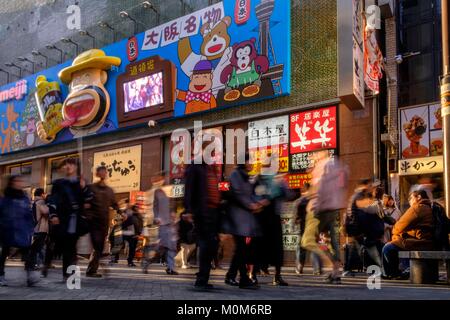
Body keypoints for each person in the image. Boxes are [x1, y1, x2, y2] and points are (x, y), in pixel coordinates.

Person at [301, 151, 348, 284]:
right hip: (333, 208)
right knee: (330, 241)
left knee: (307, 241)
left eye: (314, 154)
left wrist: (315, 204)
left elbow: (319, 187)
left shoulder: (322, 166)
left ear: (320, 154)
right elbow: (343, 184)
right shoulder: (338, 165)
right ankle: (336, 274)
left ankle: (332, 265)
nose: (312, 157)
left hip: (319, 208)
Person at [184, 136, 222, 290]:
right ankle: (201, 280)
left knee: (211, 244)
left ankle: (203, 277)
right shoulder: (195, 166)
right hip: (202, 211)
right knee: (206, 245)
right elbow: (189, 190)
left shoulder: (209, 167)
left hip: (212, 211)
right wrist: (189, 210)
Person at [47, 157, 92, 280]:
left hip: (75, 220)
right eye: (66, 164)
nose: (68, 166)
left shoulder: (81, 182)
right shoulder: (58, 183)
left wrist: (84, 188)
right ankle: (53, 265)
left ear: (76, 167)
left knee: (71, 246)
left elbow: (88, 201)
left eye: (71, 164)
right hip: (62, 219)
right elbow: (52, 200)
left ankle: (69, 274)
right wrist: (53, 214)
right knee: (63, 245)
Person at [253, 157, 296, 286]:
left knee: (276, 247)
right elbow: (255, 196)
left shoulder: (277, 179)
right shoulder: (258, 179)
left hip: (272, 216)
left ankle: (276, 276)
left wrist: (282, 186)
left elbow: (289, 196)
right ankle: (254, 274)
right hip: (261, 217)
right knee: (259, 246)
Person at [225, 154, 263, 289]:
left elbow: (250, 194)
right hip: (237, 218)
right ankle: (244, 280)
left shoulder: (246, 176)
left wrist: (257, 202)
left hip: (244, 220)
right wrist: (250, 205)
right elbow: (238, 193)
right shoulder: (236, 174)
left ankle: (231, 275)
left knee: (241, 250)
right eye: (249, 161)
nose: (251, 163)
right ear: (244, 162)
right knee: (242, 249)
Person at [382, 189, 434, 279]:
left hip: (420, 242)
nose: (409, 200)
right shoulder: (429, 207)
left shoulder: (417, 208)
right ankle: (402, 270)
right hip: (427, 241)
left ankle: (391, 273)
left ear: (418, 197)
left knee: (388, 247)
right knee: (397, 242)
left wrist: (394, 231)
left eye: (411, 198)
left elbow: (399, 226)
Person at [0, 175, 39, 287]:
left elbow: (28, 213)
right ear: (12, 183)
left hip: (22, 230)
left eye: (21, 181)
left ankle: (30, 276)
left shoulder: (24, 197)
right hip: (7, 230)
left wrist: (31, 227)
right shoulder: (5, 197)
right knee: (4, 253)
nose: (20, 183)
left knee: (27, 252)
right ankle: (1, 275)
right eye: (17, 181)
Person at [85, 166, 120, 277]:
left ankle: (93, 269)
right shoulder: (90, 188)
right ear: (96, 174)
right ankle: (93, 269)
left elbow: (114, 204)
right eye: (101, 172)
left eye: (105, 172)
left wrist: (122, 213)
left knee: (99, 247)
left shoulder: (109, 190)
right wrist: (87, 214)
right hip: (93, 222)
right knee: (97, 245)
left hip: (104, 223)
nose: (103, 174)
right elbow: (85, 201)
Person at [153, 174, 179, 275]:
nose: (164, 180)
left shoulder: (171, 190)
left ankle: (170, 268)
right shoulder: (157, 192)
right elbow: (155, 206)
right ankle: (150, 258)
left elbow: (173, 205)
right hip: (162, 223)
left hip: (171, 224)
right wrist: (156, 217)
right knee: (162, 246)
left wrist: (174, 214)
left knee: (172, 246)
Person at [295, 183, 322, 275]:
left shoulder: (300, 200)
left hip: (303, 227)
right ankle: (317, 268)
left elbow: (296, 217)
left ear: (304, 189)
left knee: (301, 247)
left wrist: (297, 219)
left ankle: (300, 267)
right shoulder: (316, 200)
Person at [28, 188, 49, 271]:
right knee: (40, 247)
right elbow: (46, 211)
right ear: (42, 194)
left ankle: (35, 263)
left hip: (34, 227)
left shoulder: (33, 202)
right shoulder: (41, 202)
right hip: (41, 228)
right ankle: (39, 263)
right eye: (44, 194)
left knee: (37, 247)